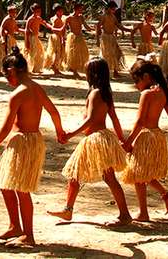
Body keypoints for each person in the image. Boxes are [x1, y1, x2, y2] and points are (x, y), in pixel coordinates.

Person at [0, 50, 68, 247]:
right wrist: (59, 131)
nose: (7, 80)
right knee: (5, 184)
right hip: (32, 141)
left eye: (6, 75)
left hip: (23, 143)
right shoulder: (37, 88)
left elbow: (6, 126)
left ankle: (28, 235)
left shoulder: (18, 94)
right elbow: (54, 112)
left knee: (21, 189)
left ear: (12, 70)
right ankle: (15, 226)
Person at [47, 57, 132, 226]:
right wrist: (122, 139)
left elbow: (91, 119)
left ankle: (125, 215)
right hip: (100, 139)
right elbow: (114, 118)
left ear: (93, 74)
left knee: (109, 178)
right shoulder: (105, 93)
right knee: (75, 174)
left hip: (96, 141)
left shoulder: (95, 93)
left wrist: (71, 134)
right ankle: (68, 210)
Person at [122, 59, 168, 221]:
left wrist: (129, 142)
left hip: (146, 137)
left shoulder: (147, 94)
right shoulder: (162, 92)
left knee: (138, 174)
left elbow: (140, 121)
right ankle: (165, 195)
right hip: (157, 136)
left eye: (137, 81)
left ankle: (144, 212)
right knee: (143, 172)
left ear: (146, 77)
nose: (136, 85)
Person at [65, 4, 93, 78]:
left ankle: (76, 69)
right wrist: (62, 37)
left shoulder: (81, 17)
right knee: (74, 54)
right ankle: (74, 71)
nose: (82, 10)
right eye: (80, 9)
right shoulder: (69, 17)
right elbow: (64, 28)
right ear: (76, 9)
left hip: (80, 37)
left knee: (83, 53)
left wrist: (92, 29)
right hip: (72, 37)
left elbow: (86, 26)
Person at [97, 3, 125, 76]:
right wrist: (97, 40)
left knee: (117, 53)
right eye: (113, 9)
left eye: (115, 9)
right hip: (105, 37)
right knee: (107, 55)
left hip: (112, 37)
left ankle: (115, 71)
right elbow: (98, 26)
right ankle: (105, 72)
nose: (114, 10)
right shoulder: (103, 16)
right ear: (109, 8)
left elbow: (118, 25)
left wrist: (127, 30)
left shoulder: (113, 16)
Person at [46, 4, 69, 76]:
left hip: (61, 36)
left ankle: (55, 66)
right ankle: (55, 68)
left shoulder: (63, 18)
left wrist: (63, 37)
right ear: (56, 12)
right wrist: (60, 36)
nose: (61, 12)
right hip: (56, 37)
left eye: (62, 11)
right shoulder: (56, 19)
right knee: (57, 53)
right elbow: (53, 29)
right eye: (60, 11)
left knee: (61, 53)